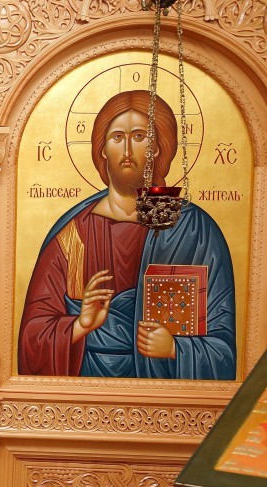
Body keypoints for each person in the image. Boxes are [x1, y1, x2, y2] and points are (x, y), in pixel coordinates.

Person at [19, 90, 236, 379]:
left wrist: (176, 348)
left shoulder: (196, 231)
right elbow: (32, 338)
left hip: (164, 399)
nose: (128, 150)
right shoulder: (73, 235)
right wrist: (80, 326)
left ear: (157, 148)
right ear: (102, 149)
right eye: (117, 138)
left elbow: (224, 349)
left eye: (139, 136)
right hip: (84, 394)